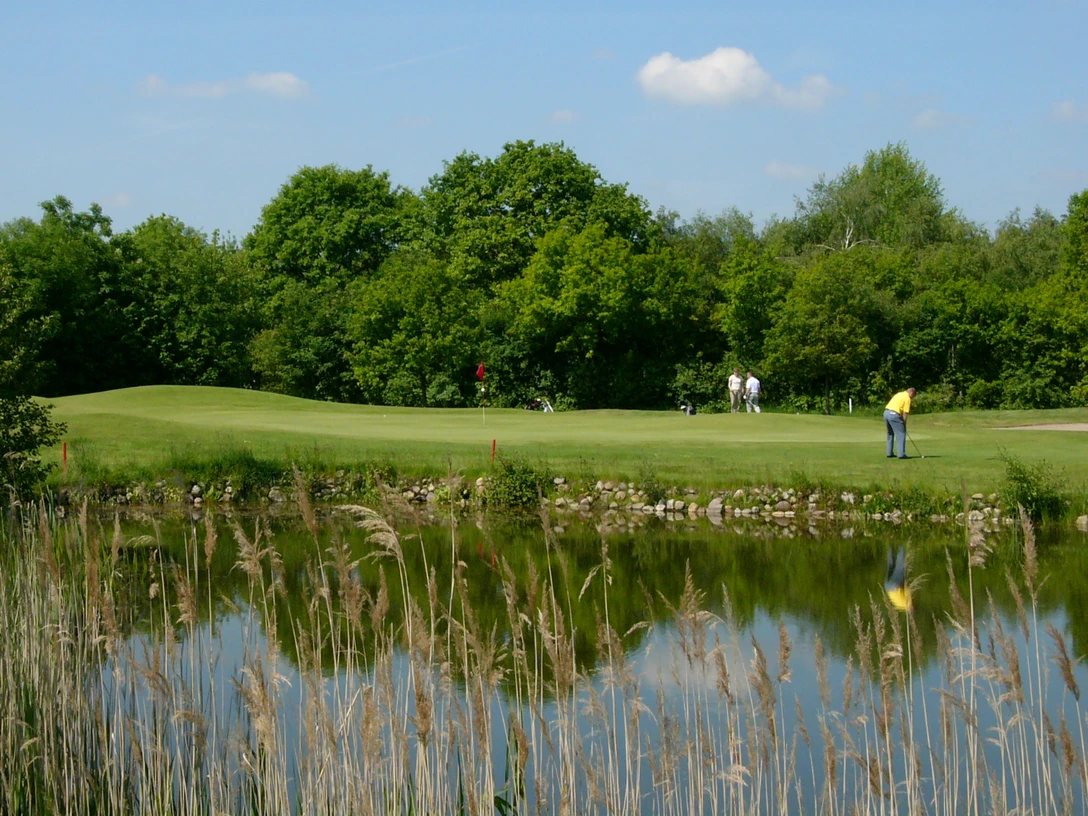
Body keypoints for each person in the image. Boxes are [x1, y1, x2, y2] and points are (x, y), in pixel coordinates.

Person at [884, 387, 916, 459]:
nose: (912, 398)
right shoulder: (907, 398)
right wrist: (904, 425)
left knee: (890, 433)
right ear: (911, 393)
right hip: (893, 414)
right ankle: (901, 454)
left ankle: (889, 453)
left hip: (886, 413)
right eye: (913, 396)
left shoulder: (899, 394)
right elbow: (905, 413)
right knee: (901, 433)